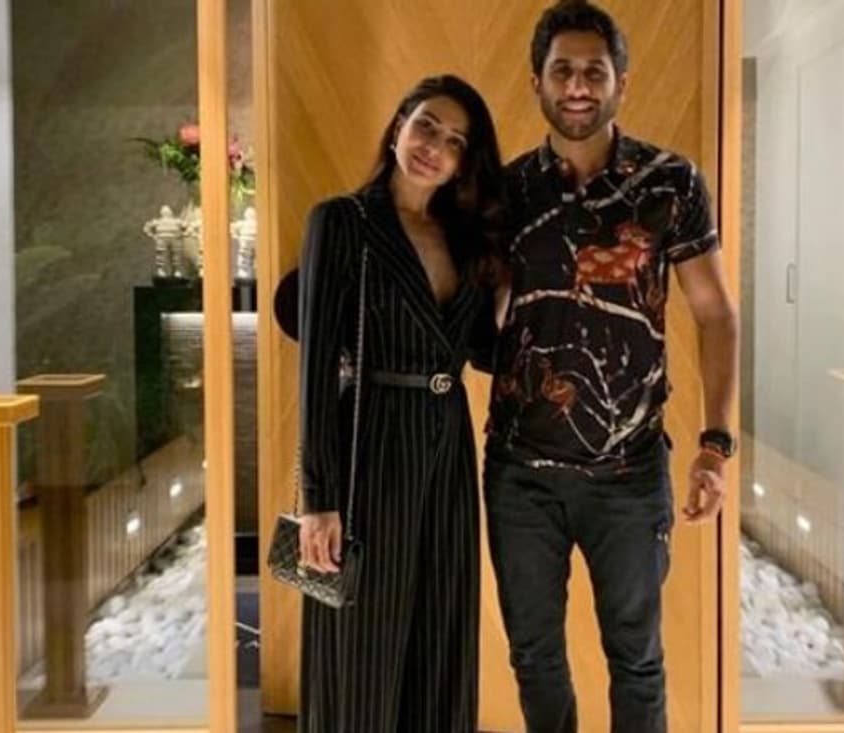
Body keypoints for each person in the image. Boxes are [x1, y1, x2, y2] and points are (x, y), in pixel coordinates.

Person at [483, 2, 740, 731]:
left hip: (629, 472)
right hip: (519, 472)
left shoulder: (671, 183)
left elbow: (716, 313)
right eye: (562, 70)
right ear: (536, 81)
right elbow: (477, 312)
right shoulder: (505, 193)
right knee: (534, 656)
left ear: (621, 82)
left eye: (594, 71)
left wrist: (716, 444)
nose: (577, 86)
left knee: (637, 659)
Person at [294, 74, 504, 733]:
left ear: (464, 162)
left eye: (455, 141)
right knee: (361, 640)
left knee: (442, 633)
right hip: (371, 439)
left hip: (448, 442)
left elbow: (483, 353)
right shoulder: (342, 223)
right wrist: (316, 498)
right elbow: (316, 367)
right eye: (426, 126)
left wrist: (508, 292)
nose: (434, 147)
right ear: (397, 127)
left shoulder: (464, 241)